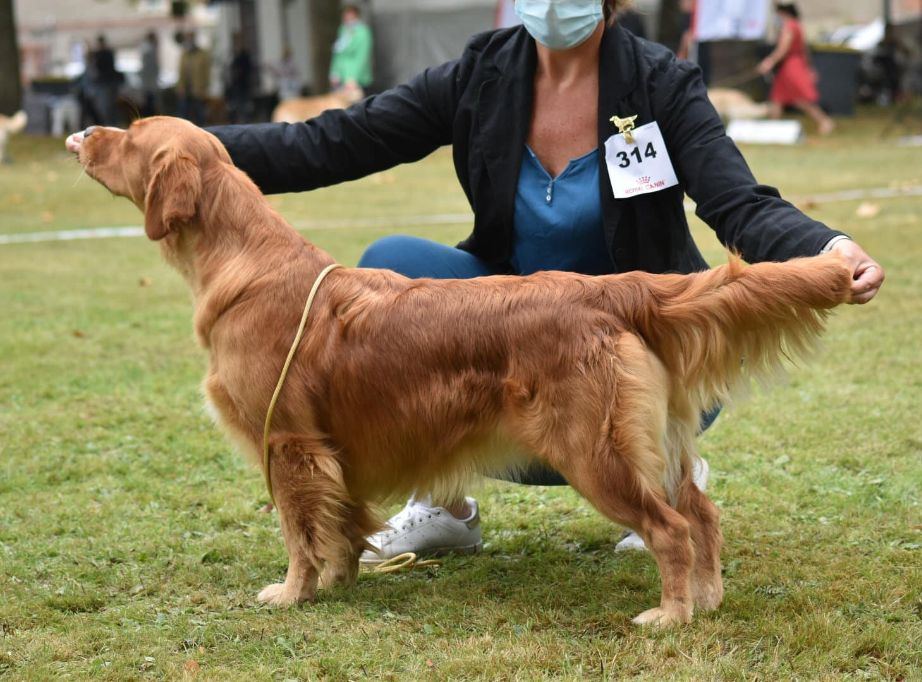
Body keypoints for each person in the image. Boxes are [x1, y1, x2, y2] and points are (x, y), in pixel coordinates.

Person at [196, 0, 882, 561]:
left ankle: (661, 467)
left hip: (632, 346)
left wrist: (828, 248)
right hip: (511, 350)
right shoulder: (480, 75)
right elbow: (335, 140)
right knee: (392, 262)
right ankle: (444, 502)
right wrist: (179, 147)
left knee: (616, 413)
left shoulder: (659, 84)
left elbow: (740, 204)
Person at [757, 2, 835, 135]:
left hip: (791, 65)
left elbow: (783, 49)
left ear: (783, 13)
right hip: (793, 64)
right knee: (777, 97)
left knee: (800, 97)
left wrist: (770, 61)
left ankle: (824, 121)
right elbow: (805, 50)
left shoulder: (789, 26)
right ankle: (772, 127)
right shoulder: (797, 25)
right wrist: (809, 67)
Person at [329, 4, 373, 99]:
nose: (347, 16)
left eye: (350, 13)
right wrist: (334, 72)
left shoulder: (363, 32)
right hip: (343, 77)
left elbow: (362, 56)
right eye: (345, 13)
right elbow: (338, 53)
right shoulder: (343, 30)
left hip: (357, 79)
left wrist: (353, 78)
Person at [176, 32, 211, 126]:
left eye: (191, 39)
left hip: (198, 89)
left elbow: (206, 72)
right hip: (186, 89)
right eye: (188, 39)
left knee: (200, 114)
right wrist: (180, 86)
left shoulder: (202, 54)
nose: (189, 41)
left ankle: (202, 132)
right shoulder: (184, 55)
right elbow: (181, 72)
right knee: (184, 114)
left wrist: (205, 87)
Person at [226, 33, 257, 124]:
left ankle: (245, 123)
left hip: (244, 85)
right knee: (234, 108)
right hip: (234, 86)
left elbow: (248, 70)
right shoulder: (232, 54)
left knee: (245, 108)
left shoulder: (245, 55)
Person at [140, 31, 161, 117]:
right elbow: (150, 68)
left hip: (149, 82)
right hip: (149, 82)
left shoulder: (149, 49)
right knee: (150, 104)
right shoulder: (149, 50)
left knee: (150, 103)